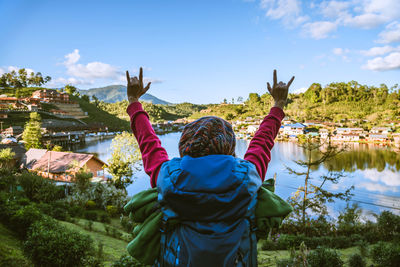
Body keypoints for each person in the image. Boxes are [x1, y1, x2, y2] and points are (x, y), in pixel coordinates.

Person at [126, 68, 294, 266]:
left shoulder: (168, 178)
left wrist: (134, 101)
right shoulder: (248, 178)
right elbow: (262, 143)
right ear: (229, 147)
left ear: (184, 146)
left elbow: (149, 143)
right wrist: (278, 105)